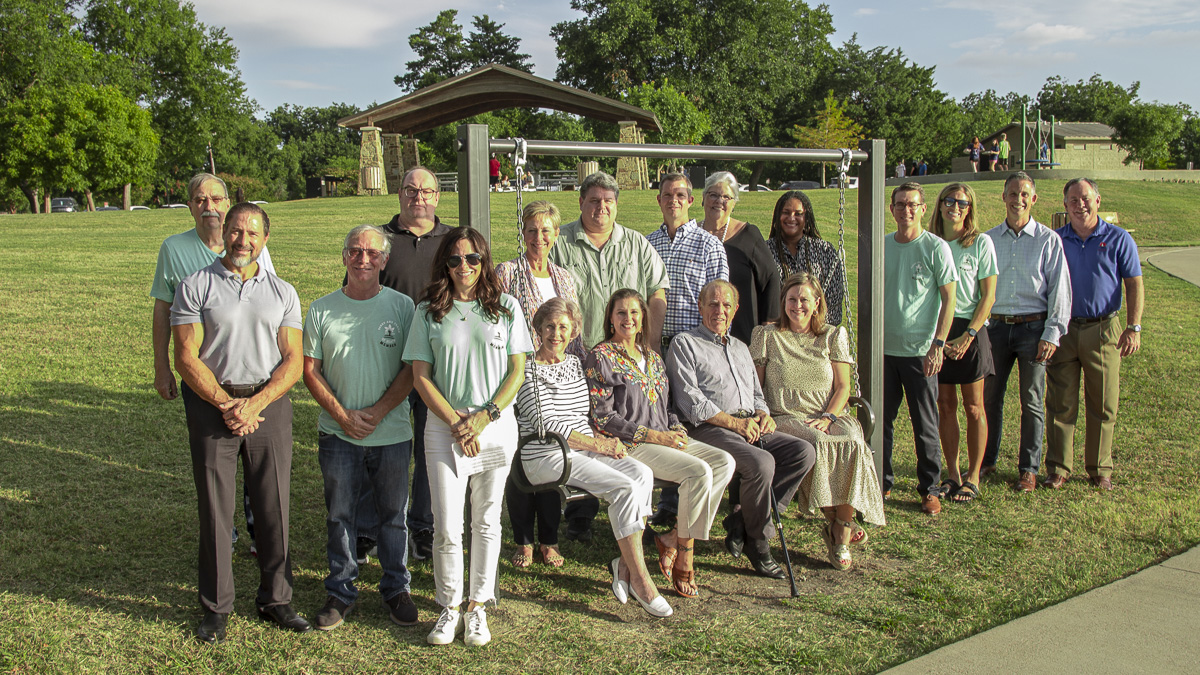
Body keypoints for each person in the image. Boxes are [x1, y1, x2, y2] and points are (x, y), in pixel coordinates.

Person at [170, 202, 308, 643]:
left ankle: (276, 599)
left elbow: (293, 361)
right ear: (223, 233)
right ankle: (216, 607)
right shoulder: (195, 286)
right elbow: (186, 357)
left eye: (252, 233)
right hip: (213, 405)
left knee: (274, 506)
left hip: (269, 405)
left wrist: (257, 403)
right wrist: (227, 403)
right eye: (235, 231)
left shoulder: (284, 292)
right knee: (215, 507)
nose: (242, 240)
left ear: (265, 240)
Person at [403, 227, 532, 647]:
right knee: (447, 524)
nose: (465, 267)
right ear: (445, 262)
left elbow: (517, 371)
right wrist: (458, 423)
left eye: (473, 259)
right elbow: (420, 377)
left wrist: (483, 418)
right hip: (444, 430)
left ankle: (478, 605)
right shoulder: (428, 311)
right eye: (456, 260)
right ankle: (449, 605)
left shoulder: (506, 307)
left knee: (487, 519)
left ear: (484, 261)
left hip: (494, 429)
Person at [514, 298, 672, 617]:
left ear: (573, 331)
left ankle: (624, 566)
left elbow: (585, 413)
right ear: (538, 329)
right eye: (549, 326)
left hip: (582, 446)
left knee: (640, 474)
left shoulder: (575, 363)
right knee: (624, 488)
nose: (556, 334)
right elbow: (549, 425)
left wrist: (602, 440)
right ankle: (641, 580)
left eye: (563, 327)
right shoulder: (526, 369)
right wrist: (601, 445)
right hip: (545, 453)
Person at [151, 173, 276, 555]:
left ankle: (256, 530)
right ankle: (226, 532)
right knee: (215, 464)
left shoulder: (251, 244)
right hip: (205, 379)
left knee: (256, 463)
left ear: (228, 204)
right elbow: (162, 310)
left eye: (217, 199)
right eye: (200, 200)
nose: (210, 207)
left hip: (253, 378)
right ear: (189, 205)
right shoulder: (174, 249)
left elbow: (266, 301)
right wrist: (161, 366)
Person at [302, 225, 419, 631]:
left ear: (385, 260)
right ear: (344, 256)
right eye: (355, 251)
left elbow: (412, 368)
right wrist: (342, 415)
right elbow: (310, 371)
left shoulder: (404, 307)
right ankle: (341, 590)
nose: (363, 259)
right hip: (338, 435)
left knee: (393, 515)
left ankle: (395, 588)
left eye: (372, 252)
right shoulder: (321, 309)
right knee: (340, 514)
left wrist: (377, 411)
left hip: (392, 433)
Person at [586, 289, 734, 598]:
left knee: (724, 462)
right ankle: (685, 554)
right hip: (632, 445)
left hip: (665, 438)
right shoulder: (601, 357)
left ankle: (671, 538)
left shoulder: (653, 357)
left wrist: (676, 428)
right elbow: (603, 418)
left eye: (634, 313)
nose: (628, 319)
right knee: (699, 472)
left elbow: (666, 407)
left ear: (643, 319)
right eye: (621, 313)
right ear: (610, 319)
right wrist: (655, 436)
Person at [550, 171, 670, 541]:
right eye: (593, 200)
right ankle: (580, 514)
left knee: (623, 425)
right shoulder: (562, 243)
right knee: (582, 429)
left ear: (617, 204)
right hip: (573, 355)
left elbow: (657, 292)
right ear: (581, 202)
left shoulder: (636, 244)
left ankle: (641, 512)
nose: (601, 207)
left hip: (623, 356)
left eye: (608, 201)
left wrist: (646, 345)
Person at [667, 280, 814, 579]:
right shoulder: (685, 343)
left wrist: (763, 414)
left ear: (735, 311)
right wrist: (734, 423)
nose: (719, 311)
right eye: (712, 304)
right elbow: (690, 402)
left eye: (726, 305)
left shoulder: (741, 347)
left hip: (749, 425)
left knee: (803, 452)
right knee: (761, 463)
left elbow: (756, 393)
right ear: (700, 306)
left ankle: (742, 522)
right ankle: (759, 542)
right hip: (709, 428)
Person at [751, 274, 886, 569]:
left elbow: (843, 387)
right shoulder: (767, 335)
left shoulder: (832, 335)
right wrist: (761, 414)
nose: (797, 305)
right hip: (786, 415)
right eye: (791, 299)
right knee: (820, 442)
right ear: (783, 301)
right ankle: (841, 531)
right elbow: (756, 387)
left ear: (816, 304)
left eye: (804, 300)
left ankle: (840, 526)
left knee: (852, 441)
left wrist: (829, 416)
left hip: (828, 412)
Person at [495, 201, 583, 569]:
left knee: (553, 452)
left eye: (546, 230)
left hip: (556, 372)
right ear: (523, 232)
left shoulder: (566, 278)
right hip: (518, 374)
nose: (538, 238)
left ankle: (549, 538)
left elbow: (575, 329)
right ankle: (523, 540)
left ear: (556, 235)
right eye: (531, 230)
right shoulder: (507, 272)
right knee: (522, 455)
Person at [372, 166, 451, 563]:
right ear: (399, 194)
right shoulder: (381, 241)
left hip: (436, 367)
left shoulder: (453, 242)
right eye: (410, 190)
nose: (418, 197)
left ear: (437, 196)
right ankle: (374, 528)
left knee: (428, 446)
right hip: (388, 363)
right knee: (386, 449)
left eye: (426, 191)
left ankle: (422, 527)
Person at [1044, 178, 1143, 491]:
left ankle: (1099, 468)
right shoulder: (1055, 240)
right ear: (1065, 206)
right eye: (1073, 200)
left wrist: (1134, 326)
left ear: (1098, 201)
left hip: (1104, 329)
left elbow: (1134, 284)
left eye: (1085, 198)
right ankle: (1059, 468)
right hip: (1064, 328)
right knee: (1060, 401)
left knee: (1103, 402)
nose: (1079, 205)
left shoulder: (1118, 239)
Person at [981, 172, 1071, 492]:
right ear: (1003, 197)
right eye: (1012, 193)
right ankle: (987, 460)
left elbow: (1060, 290)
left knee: (1031, 400)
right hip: (996, 328)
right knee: (989, 398)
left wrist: (1051, 333)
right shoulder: (988, 240)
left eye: (1024, 194)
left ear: (1033, 200)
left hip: (1034, 329)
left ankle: (1028, 469)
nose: (1018, 199)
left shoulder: (1048, 240)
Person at [882, 182, 958, 515]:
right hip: (884, 350)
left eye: (912, 205)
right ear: (892, 209)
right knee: (880, 421)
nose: (906, 211)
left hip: (920, 351)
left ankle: (929, 488)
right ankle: (880, 483)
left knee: (924, 422)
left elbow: (949, 298)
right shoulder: (883, 246)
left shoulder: (936, 248)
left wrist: (937, 344)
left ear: (923, 209)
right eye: (900, 205)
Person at [928, 183, 998, 503]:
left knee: (973, 407)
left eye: (962, 202)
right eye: (949, 200)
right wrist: (939, 339)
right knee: (945, 406)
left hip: (971, 329)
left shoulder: (980, 243)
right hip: (938, 330)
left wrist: (969, 335)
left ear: (970, 208)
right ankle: (953, 473)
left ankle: (973, 476)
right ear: (940, 205)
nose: (955, 206)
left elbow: (988, 296)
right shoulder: (928, 243)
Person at [646, 173, 729, 351]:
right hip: (654, 348)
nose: (673, 200)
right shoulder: (647, 245)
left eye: (680, 195)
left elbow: (722, 302)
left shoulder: (710, 245)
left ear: (690, 200)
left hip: (696, 348)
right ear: (659, 200)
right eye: (667, 195)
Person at [698, 171, 780, 345]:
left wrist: (769, 324)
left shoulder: (749, 235)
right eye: (713, 194)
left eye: (726, 197)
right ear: (703, 198)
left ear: (734, 203)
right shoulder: (692, 235)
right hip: (699, 334)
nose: (719, 201)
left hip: (743, 333)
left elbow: (771, 278)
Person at [765, 190, 846, 326]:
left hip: (816, 334)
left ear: (806, 218)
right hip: (778, 334)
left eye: (798, 214)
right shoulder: (765, 251)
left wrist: (816, 328)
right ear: (778, 216)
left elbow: (834, 298)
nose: (791, 218)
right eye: (786, 212)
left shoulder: (824, 251)